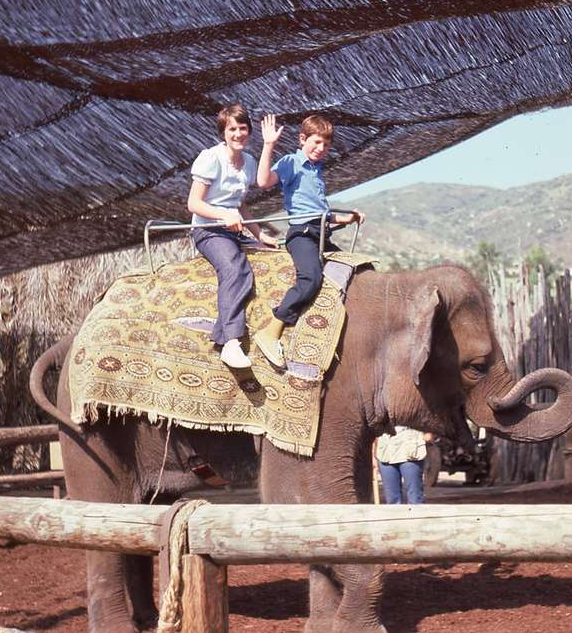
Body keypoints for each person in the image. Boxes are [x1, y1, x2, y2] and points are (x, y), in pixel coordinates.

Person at [252, 113, 364, 368]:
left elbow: (319, 212)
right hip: (302, 233)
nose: (320, 148)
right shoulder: (292, 161)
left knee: (351, 267)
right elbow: (263, 181)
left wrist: (345, 218)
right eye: (315, 142)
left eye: (325, 144)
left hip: (321, 231)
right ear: (302, 139)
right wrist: (268, 144)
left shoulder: (316, 169)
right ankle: (272, 331)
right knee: (310, 278)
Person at [186, 104, 278, 369]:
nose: (238, 134)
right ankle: (230, 342)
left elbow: (241, 204)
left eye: (243, 128)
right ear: (223, 133)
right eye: (232, 129)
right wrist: (222, 216)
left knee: (273, 256)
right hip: (209, 230)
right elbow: (194, 203)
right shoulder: (211, 158)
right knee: (235, 269)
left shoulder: (248, 162)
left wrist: (260, 234)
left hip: (235, 230)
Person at [375, 426, 433, 504]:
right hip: (386, 450)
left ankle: (416, 516)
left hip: (411, 448)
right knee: (392, 500)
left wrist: (429, 433)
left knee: (415, 499)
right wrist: (373, 456)